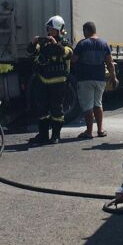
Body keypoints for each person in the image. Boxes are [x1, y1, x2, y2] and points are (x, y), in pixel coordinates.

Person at [26, 15, 73, 146]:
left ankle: (55, 135)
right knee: (42, 110)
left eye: (52, 29)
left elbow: (67, 54)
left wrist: (55, 43)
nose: (49, 32)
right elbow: (30, 52)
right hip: (42, 81)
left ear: (59, 30)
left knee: (57, 110)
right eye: (49, 29)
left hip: (58, 82)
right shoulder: (43, 43)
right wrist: (34, 42)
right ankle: (43, 135)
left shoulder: (64, 43)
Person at [72, 22, 115, 139]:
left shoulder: (82, 44)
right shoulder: (104, 44)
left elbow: (73, 59)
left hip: (85, 78)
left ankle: (89, 131)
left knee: (88, 106)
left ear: (86, 30)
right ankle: (100, 129)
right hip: (100, 79)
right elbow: (110, 62)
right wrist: (113, 76)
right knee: (98, 103)